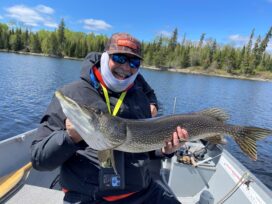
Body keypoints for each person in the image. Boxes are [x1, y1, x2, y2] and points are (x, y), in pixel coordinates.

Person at [31, 32, 188, 204]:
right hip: (89, 197)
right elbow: (40, 160)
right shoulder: (71, 94)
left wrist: (165, 151)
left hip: (143, 192)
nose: (126, 67)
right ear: (105, 56)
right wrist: (70, 137)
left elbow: (146, 148)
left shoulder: (141, 98)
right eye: (119, 58)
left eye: (134, 62)